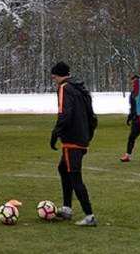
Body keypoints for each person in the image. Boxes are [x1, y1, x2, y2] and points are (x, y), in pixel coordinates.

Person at [49, 61, 98, 227]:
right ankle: (67, 208)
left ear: (59, 75)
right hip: (83, 136)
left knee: (74, 175)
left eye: (54, 77)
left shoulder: (65, 88)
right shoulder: (81, 88)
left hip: (72, 138)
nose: (54, 80)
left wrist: (56, 133)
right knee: (63, 168)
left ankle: (89, 216)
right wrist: (88, 133)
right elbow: (92, 116)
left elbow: (65, 113)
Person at [120, 74, 140, 162]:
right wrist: (130, 117)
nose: (133, 84)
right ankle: (127, 155)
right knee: (131, 137)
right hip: (136, 119)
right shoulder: (132, 94)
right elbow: (132, 107)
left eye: (135, 82)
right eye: (132, 82)